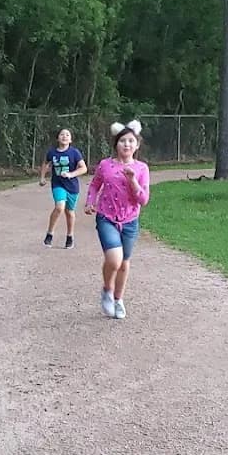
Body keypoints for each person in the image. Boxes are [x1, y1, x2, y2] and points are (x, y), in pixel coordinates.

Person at [84, 120, 150, 319]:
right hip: (106, 217)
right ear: (116, 144)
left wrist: (132, 180)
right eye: (123, 141)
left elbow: (143, 199)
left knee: (124, 263)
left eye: (131, 141)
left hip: (130, 221)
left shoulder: (141, 169)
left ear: (137, 145)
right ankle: (107, 289)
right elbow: (95, 184)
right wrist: (90, 201)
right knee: (114, 259)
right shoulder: (105, 165)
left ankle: (118, 299)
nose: (127, 144)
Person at [39, 128, 87, 248]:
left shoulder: (75, 152)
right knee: (59, 207)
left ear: (70, 139)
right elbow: (46, 163)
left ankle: (70, 236)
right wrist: (42, 177)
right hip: (58, 184)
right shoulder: (52, 153)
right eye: (62, 134)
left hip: (72, 186)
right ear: (57, 138)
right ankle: (50, 234)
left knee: (69, 212)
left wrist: (71, 174)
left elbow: (83, 168)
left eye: (67, 135)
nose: (64, 136)